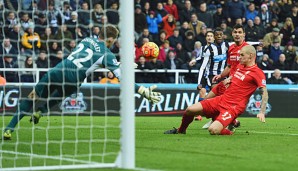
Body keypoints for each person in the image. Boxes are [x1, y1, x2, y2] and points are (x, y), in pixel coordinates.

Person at [3, 25, 161, 140]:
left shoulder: (86, 40)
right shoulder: (108, 54)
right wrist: (142, 90)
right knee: (70, 89)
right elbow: (122, 78)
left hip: (58, 70)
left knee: (33, 97)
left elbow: (91, 56)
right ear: (111, 39)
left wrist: (118, 64)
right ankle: (42, 110)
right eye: (113, 41)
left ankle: (9, 129)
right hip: (73, 79)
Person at [164, 45, 268, 135]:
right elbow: (236, 76)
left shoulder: (258, 73)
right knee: (190, 110)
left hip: (233, 107)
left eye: (242, 55)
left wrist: (262, 111)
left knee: (213, 130)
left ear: (250, 56)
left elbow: (265, 92)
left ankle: (229, 131)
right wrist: (228, 79)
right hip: (221, 99)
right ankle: (181, 130)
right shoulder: (240, 66)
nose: (239, 57)